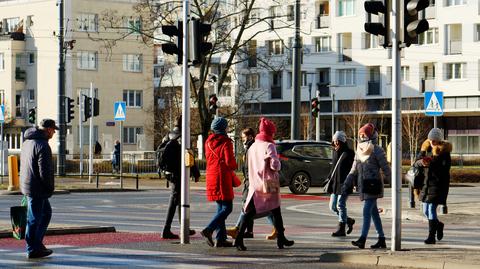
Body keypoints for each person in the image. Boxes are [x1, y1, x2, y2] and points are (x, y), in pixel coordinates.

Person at [234, 117, 294, 251]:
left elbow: (247, 165)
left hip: (255, 183)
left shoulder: (253, 145)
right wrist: (277, 160)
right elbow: (275, 166)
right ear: (270, 132)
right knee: (274, 211)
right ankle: (280, 238)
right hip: (267, 183)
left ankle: (280, 238)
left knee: (251, 212)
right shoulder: (269, 145)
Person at [343, 123, 391, 249]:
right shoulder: (358, 150)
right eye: (361, 134)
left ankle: (362, 239)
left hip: (373, 185)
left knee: (366, 212)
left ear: (370, 135)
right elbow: (353, 170)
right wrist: (347, 183)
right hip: (364, 185)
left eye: (364, 134)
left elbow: (386, 168)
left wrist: (395, 183)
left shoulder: (377, 149)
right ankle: (381, 239)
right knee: (374, 213)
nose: (362, 136)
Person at [20, 119, 58, 259]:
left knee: (45, 213)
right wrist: (50, 187)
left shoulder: (27, 142)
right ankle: (32, 248)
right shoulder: (43, 145)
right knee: (34, 218)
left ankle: (37, 244)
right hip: (37, 187)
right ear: (48, 129)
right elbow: (45, 171)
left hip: (28, 184)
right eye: (53, 130)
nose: (54, 132)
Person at [201, 117, 238, 248]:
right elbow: (230, 162)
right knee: (228, 208)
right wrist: (236, 163)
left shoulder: (208, 142)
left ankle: (220, 238)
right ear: (224, 128)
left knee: (220, 208)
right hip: (222, 176)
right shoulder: (226, 142)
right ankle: (209, 229)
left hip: (211, 175)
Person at [160, 127, 198, 239]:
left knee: (181, 200)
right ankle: (166, 229)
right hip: (178, 174)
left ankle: (184, 227)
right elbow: (188, 155)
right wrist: (195, 172)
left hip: (171, 174)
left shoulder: (169, 136)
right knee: (174, 201)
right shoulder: (182, 136)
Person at [417, 128, 451, 244]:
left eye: (434, 140)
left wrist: (433, 161)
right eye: (430, 140)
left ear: (439, 141)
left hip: (438, 186)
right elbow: (417, 162)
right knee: (426, 211)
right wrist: (422, 153)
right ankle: (439, 225)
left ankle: (431, 237)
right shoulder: (427, 150)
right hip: (426, 185)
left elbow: (444, 169)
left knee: (431, 209)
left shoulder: (444, 153)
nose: (432, 142)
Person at [325, 131, 355, 237]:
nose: (335, 142)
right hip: (335, 184)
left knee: (340, 205)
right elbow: (334, 168)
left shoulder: (349, 153)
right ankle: (348, 220)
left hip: (345, 183)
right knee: (332, 207)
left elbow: (353, 169)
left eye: (338, 140)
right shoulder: (335, 152)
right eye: (334, 140)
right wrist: (328, 178)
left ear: (342, 141)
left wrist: (354, 182)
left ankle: (341, 228)